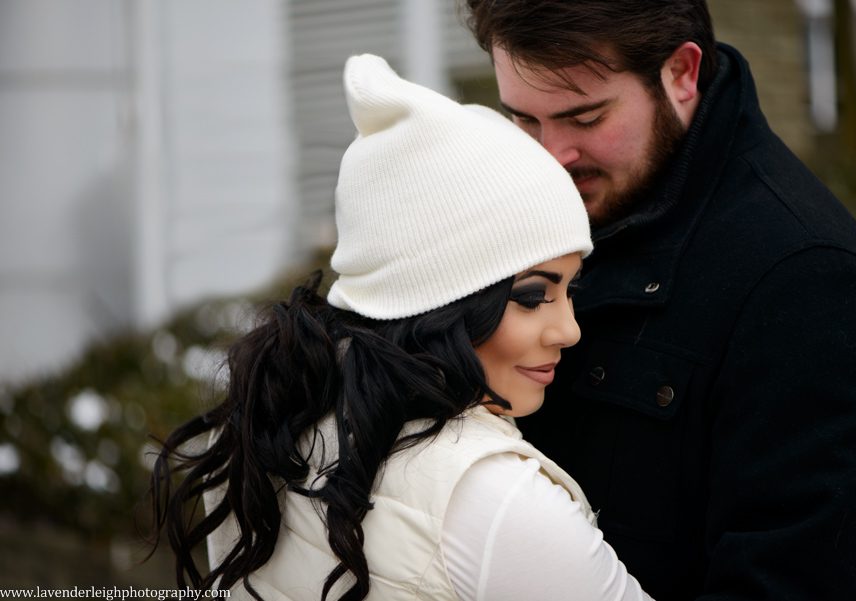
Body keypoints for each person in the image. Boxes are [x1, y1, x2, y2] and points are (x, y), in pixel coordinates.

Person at [150, 54, 655, 600]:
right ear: (439, 300)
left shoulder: (267, 419)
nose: (569, 331)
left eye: (569, 290)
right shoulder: (501, 504)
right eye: (533, 297)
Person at [462, 1, 856, 599]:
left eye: (586, 118)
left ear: (681, 74)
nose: (551, 155)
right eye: (525, 121)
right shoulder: (527, 209)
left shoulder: (809, 283)